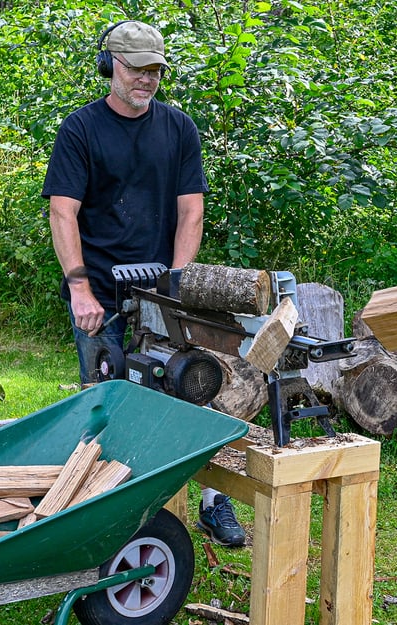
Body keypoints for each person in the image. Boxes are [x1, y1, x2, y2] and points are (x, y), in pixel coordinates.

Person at [41, 19, 246, 548]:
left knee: (191, 390)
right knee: (108, 405)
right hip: (102, 298)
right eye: (136, 68)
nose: (147, 79)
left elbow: (191, 211)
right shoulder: (80, 130)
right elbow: (63, 213)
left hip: (160, 295)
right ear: (109, 65)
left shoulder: (179, 129)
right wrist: (80, 289)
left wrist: (176, 284)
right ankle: (101, 517)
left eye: (155, 69)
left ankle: (209, 501)